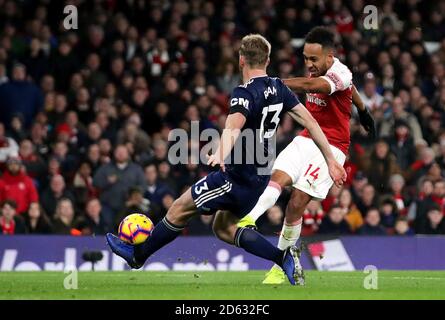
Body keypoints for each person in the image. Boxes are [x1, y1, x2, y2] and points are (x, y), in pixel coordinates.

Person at [106, 34, 346, 285]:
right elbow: (309, 121)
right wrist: (330, 159)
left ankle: (138, 256)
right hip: (259, 178)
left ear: (241, 60)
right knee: (224, 228)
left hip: (236, 177)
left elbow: (233, 126)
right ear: (268, 60)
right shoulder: (279, 87)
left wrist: (220, 154)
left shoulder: (243, 92)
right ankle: (282, 257)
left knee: (179, 208)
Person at [237, 26, 375, 284]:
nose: (309, 64)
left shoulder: (339, 73)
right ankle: (247, 220)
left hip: (333, 146)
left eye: (314, 59)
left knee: (298, 200)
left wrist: (272, 84)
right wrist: (363, 109)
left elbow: (315, 85)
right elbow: (352, 89)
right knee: (277, 178)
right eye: (305, 58)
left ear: (330, 57)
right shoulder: (331, 73)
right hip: (306, 138)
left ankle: (281, 263)